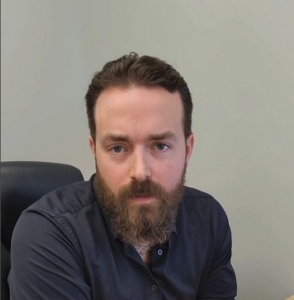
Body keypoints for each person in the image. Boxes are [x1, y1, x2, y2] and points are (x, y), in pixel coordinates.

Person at [9, 53, 237, 299]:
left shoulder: (208, 220)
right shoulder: (48, 234)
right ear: (94, 151)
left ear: (187, 150)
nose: (140, 172)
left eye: (160, 146)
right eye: (118, 148)